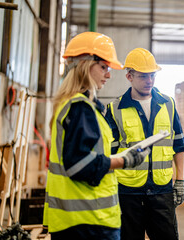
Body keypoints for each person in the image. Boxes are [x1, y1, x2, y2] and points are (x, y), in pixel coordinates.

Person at [43, 32, 150, 240]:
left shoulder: (72, 105)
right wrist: (122, 161)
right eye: (103, 67)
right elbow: (78, 165)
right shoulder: (80, 108)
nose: (108, 75)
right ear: (84, 65)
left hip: (75, 220)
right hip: (89, 221)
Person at [105, 48, 184, 240]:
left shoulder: (168, 104)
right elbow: (108, 155)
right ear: (129, 76)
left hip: (162, 190)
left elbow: (179, 145)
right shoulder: (115, 109)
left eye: (152, 75)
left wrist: (180, 181)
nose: (149, 81)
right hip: (128, 193)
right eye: (143, 76)